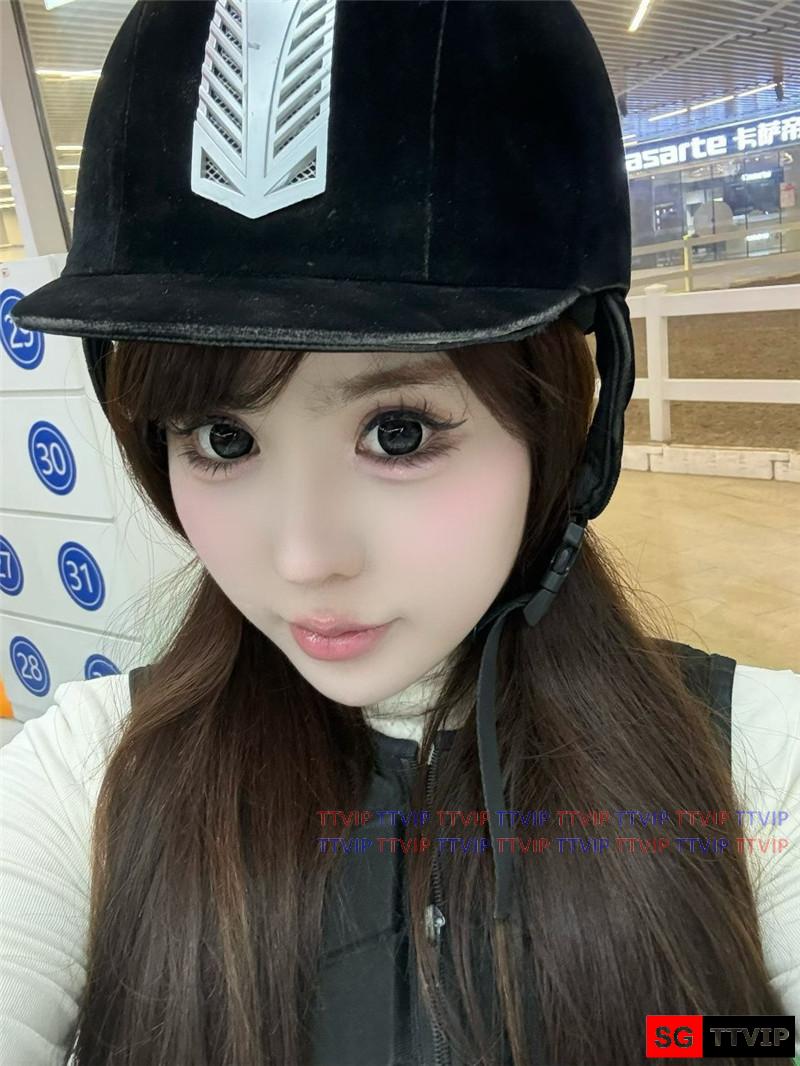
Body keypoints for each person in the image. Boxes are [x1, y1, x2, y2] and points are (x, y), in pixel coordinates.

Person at [4, 2, 799, 1065]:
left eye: (398, 431)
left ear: (565, 425)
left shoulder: (757, 770)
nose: (303, 558)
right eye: (223, 439)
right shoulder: (90, 778)